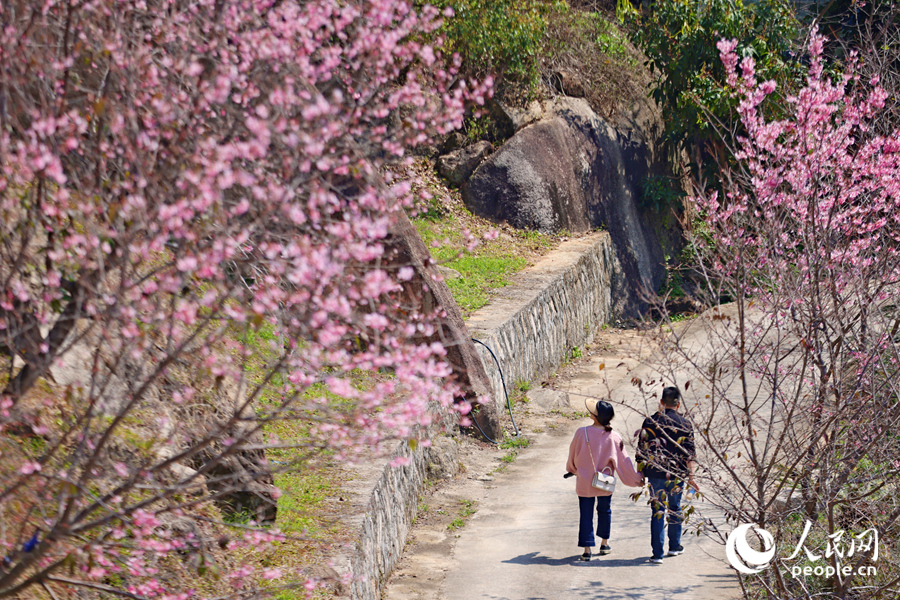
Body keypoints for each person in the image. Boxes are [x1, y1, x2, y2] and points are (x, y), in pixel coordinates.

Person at [566, 399, 644, 561]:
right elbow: (624, 462)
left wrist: (573, 470)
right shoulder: (614, 437)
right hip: (605, 482)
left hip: (584, 482)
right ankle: (604, 543)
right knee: (605, 511)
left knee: (585, 514)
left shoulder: (582, 432)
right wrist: (637, 479)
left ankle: (587, 550)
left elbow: (572, 456)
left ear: (595, 416)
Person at [637, 385, 698, 564]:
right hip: (677, 474)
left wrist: (640, 472)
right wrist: (692, 477)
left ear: (661, 403)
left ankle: (657, 554)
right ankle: (674, 546)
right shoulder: (685, 424)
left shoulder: (650, 422)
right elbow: (690, 453)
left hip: (655, 473)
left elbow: (642, 449)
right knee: (675, 508)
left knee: (657, 511)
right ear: (678, 405)